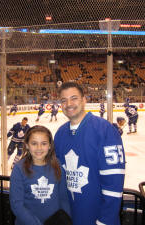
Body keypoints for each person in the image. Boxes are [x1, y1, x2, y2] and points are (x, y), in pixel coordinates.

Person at [54, 82, 125, 225]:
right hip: (69, 217)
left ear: (84, 100)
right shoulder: (60, 134)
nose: (68, 104)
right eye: (63, 100)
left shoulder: (105, 130)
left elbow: (114, 185)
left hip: (97, 220)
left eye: (74, 98)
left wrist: (104, 221)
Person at [10, 125, 71, 225]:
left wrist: (66, 219)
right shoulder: (19, 169)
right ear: (27, 145)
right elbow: (17, 205)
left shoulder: (57, 165)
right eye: (34, 143)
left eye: (44, 143)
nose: (39, 148)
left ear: (50, 145)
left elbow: (64, 198)